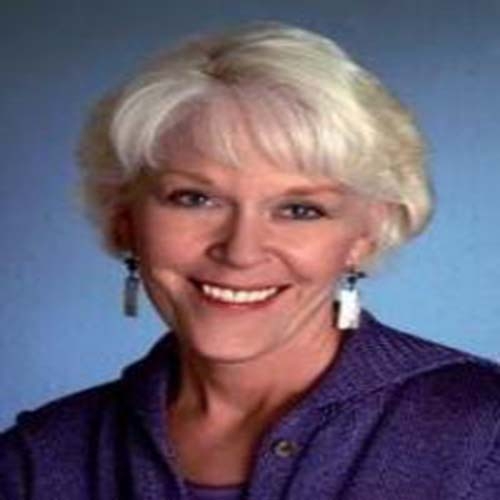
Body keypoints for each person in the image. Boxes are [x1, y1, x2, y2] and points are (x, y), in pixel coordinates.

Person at [1, 21, 499, 500]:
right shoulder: (37, 461)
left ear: (366, 236)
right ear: (123, 220)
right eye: (195, 199)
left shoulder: (484, 436)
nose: (241, 251)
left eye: (299, 209)